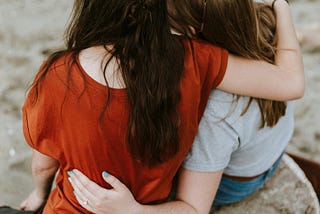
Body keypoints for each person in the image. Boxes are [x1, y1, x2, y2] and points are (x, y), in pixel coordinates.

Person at [0, 0, 303, 213]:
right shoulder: (196, 57)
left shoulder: (56, 74)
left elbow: (43, 164)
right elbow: (289, 83)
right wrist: (281, 5)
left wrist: (39, 194)